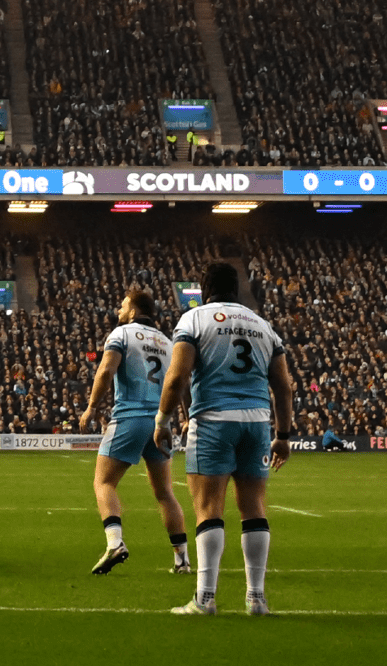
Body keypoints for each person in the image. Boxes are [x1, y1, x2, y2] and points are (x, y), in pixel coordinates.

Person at [154, 260, 295, 617]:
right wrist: (283, 435)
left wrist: (163, 420)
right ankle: (257, 598)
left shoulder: (195, 319)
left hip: (214, 420)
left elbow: (177, 377)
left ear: (204, 288)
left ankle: (205, 599)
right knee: (254, 507)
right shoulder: (263, 326)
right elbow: (283, 384)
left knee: (208, 508)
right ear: (238, 289)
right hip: (258, 422)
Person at [77, 284, 187, 578]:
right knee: (165, 493)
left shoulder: (121, 334)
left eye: (123, 306)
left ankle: (114, 544)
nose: (119, 311)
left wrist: (91, 407)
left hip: (130, 418)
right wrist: (186, 416)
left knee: (104, 482)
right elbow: (181, 381)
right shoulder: (168, 342)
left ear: (134, 311)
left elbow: (105, 371)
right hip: (161, 423)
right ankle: (183, 560)